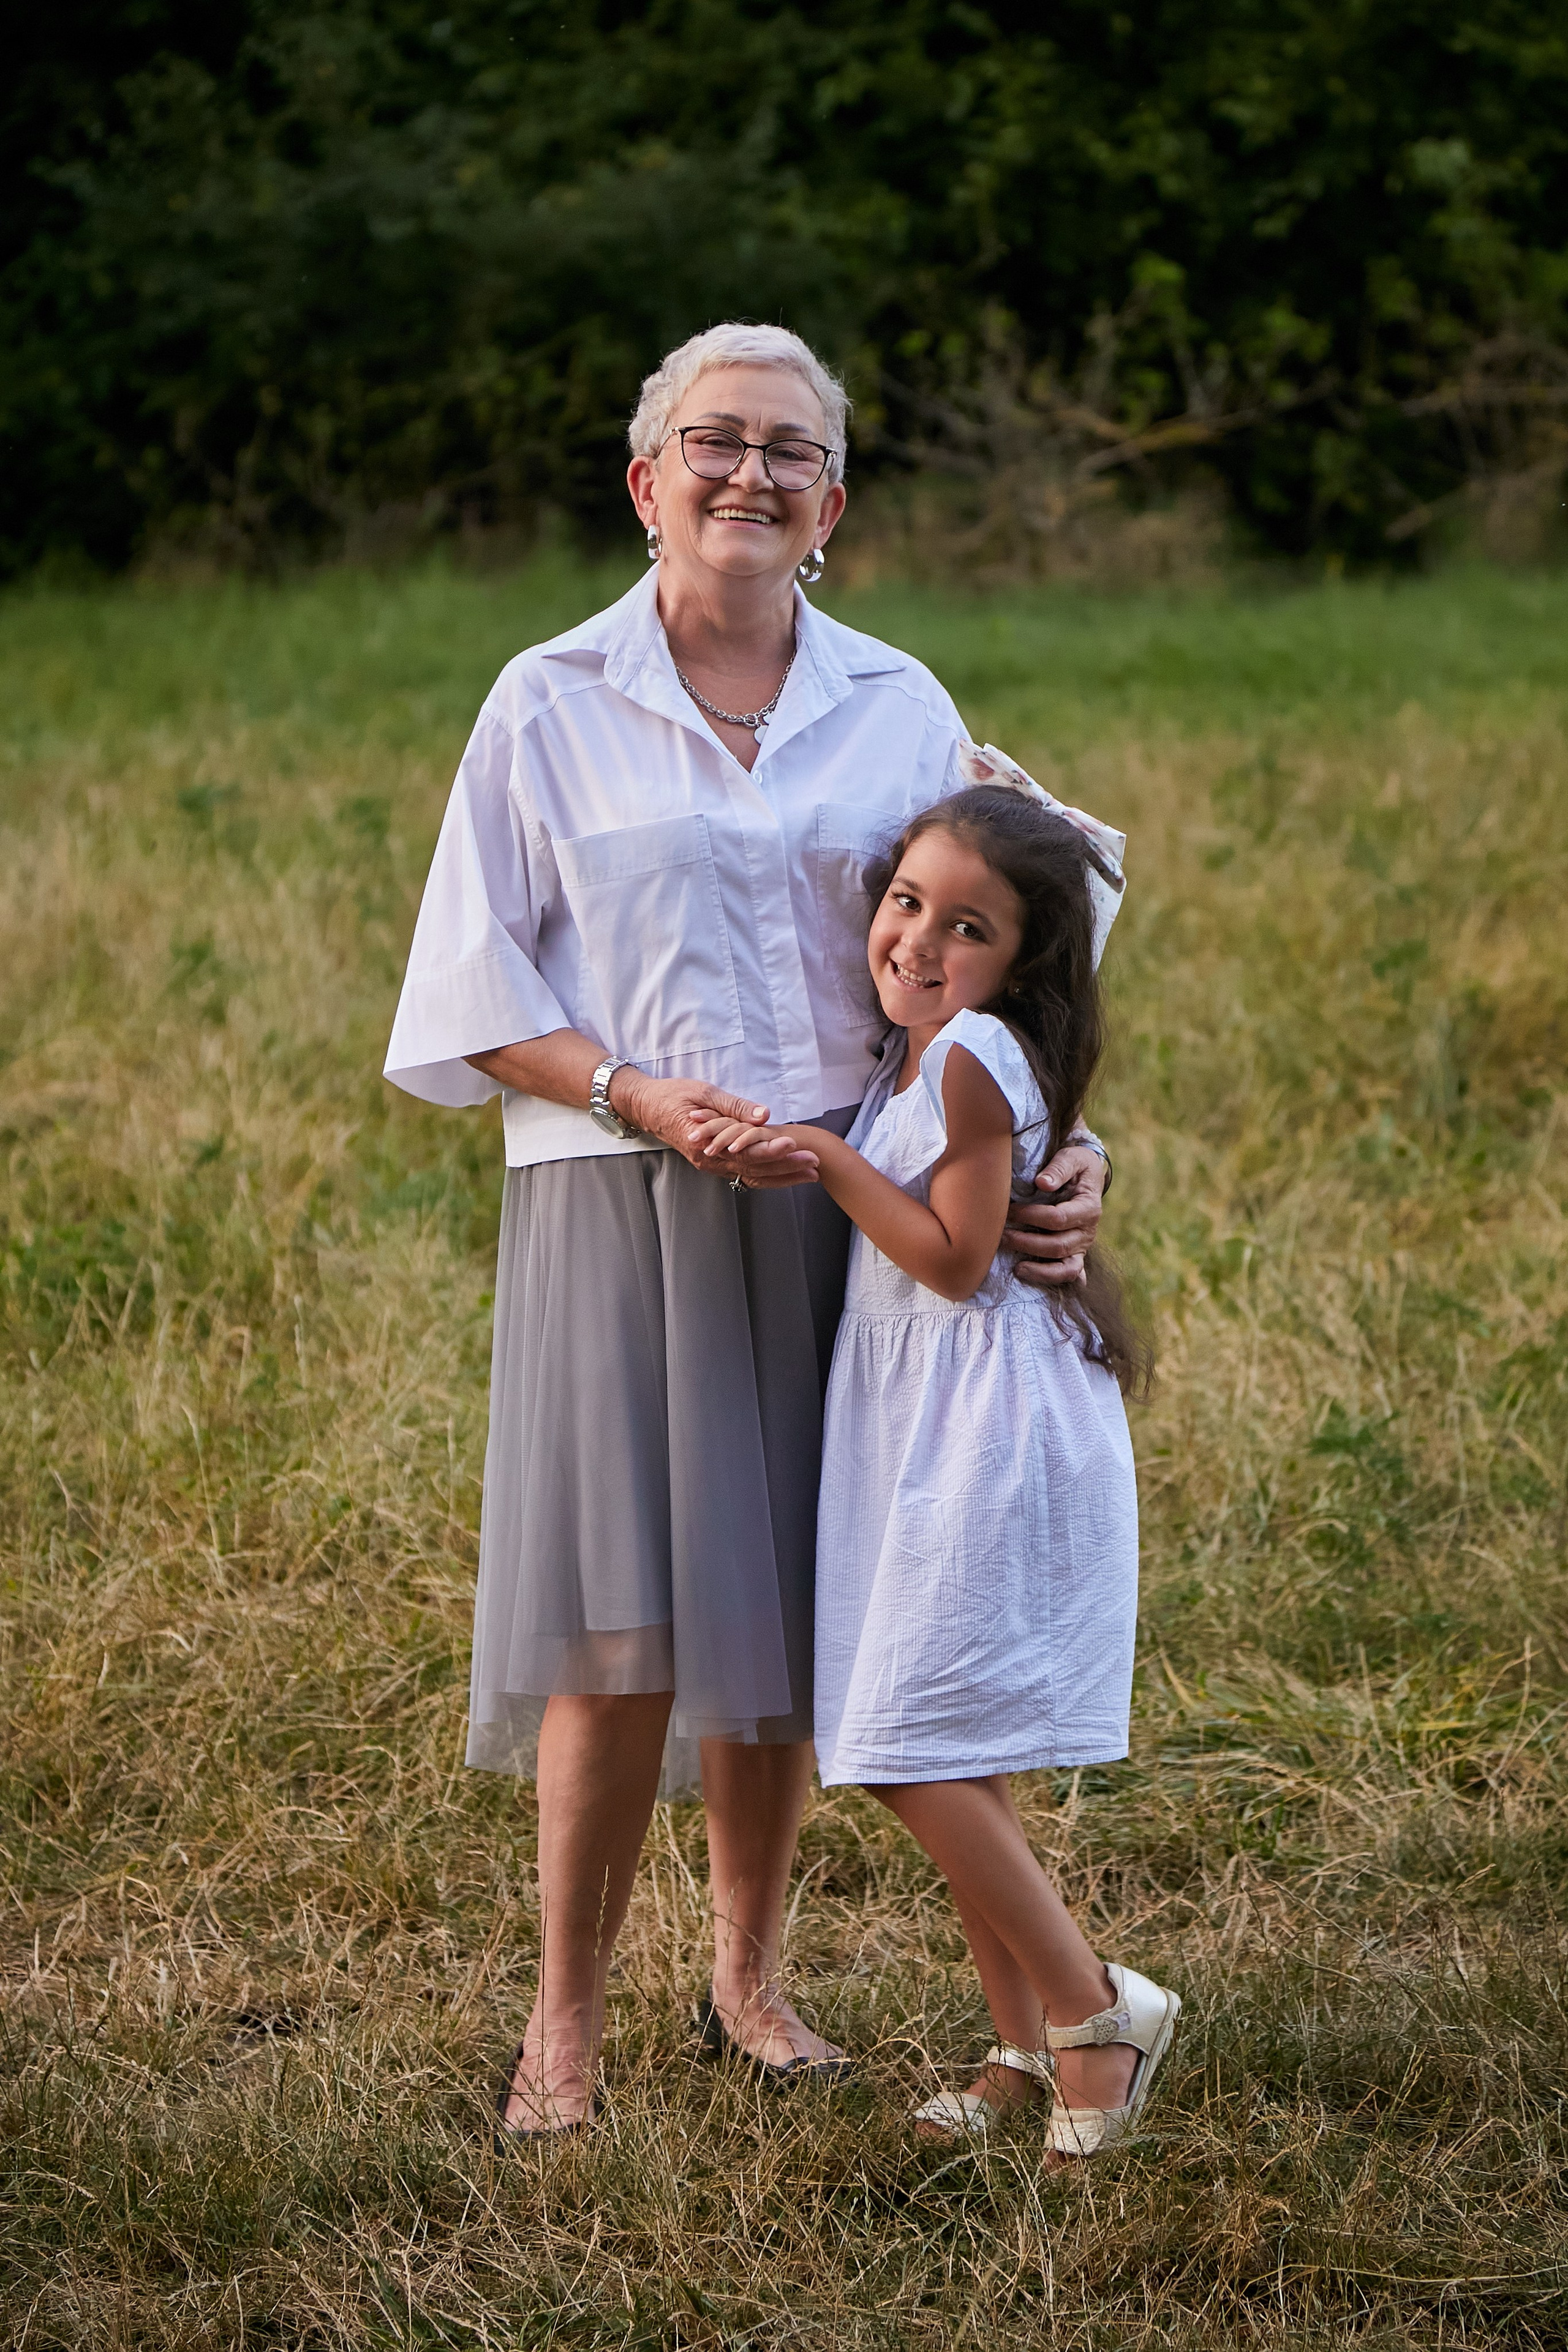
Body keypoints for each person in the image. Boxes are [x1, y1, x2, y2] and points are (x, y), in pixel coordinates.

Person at [383, 323, 1112, 2137]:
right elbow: (473, 983)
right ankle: (562, 2031)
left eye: (791, 452)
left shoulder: (903, 707)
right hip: (615, 1200)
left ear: (833, 503)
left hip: (840, 1206)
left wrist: (1063, 1153)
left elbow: (1035, 935)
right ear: (648, 484)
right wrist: (633, 1090)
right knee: (615, 1632)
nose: (749, 475)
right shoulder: (544, 697)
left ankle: (752, 1981)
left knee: (789, 1614)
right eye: (714, 443)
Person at [696, 764, 1179, 2157]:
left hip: (980, 1434)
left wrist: (819, 1161)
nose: (916, 941)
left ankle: (1098, 2019)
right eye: (905, 902)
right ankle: (1017, 2056)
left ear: (1022, 962)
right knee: (950, 1743)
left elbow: (956, 1262)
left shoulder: (970, 1056)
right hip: (925, 1424)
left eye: (967, 928)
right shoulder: (925, 1047)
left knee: (907, 1746)